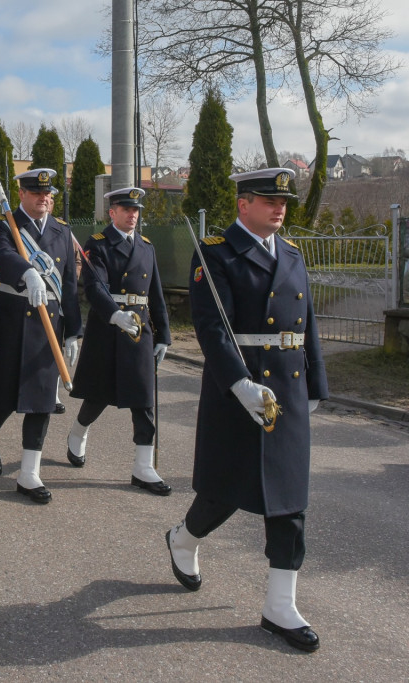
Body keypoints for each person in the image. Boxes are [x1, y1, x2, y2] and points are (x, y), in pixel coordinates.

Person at [165, 168, 327, 653]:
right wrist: (240, 384)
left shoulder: (293, 255)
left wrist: (316, 383)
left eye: (283, 201)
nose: (279, 208)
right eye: (266, 200)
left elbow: (308, 323)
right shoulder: (216, 254)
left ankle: (281, 605)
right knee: (225, 492)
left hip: (289, 393)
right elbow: (213, 330)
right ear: (243, 205)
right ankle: (184, 539)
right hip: (240, 389)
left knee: (289, 502)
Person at [0, 169, 83, 504]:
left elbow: (68, 286)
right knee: (5, 397)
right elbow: (2, 256)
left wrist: (74, 332)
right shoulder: (4, 223)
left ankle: (29, 473)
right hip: (11, 320)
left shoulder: (62, 231)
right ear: (21, 194)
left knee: (40, 402)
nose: (43, 199)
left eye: (47, 193)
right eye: (36, 193)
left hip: (49, 325)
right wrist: (28, 272)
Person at [67, 187, 172, 496]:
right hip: (108, 327)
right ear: (112, 213)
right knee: (99, 393)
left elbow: (156, 294)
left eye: (136, 210)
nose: (133, 215)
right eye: (126, 209)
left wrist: (164, 334)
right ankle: (78, 431)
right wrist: (115, 315)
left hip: (139, 329)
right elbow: (95, 287)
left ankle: (143, 466)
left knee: (143, 397)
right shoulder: (98, 244)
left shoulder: (146, 247)